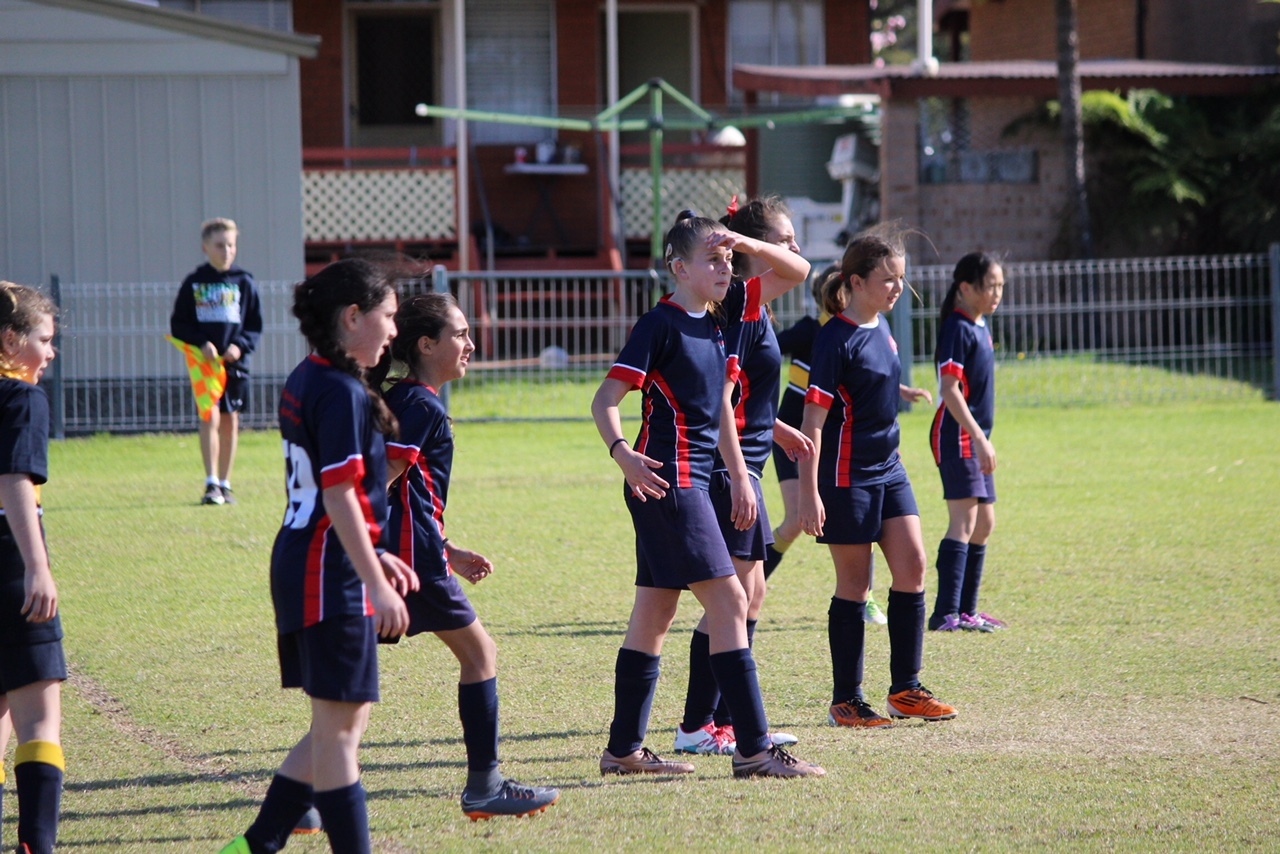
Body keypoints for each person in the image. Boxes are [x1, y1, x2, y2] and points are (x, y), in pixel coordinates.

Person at [591, 211, 824, 779]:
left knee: (655, 614)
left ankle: (622, 751)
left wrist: (747, 461)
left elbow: (719, 407)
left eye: (727, 261)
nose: (724, 268)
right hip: (670, 483)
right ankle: (753, 751)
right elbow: (605, 401)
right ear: (679, 269)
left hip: (696, 479)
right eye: (712, 261)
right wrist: (624, 456)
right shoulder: (660, 324)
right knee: (731, 605)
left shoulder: (719, 319)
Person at [221, 259, 419, 854]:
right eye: (386, 317)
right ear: (351, 316)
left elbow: (337, 495)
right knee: (339, 733)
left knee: (343, 722)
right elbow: (335, 494)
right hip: (324, 571)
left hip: (318, 560)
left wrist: (376, 560)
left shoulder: (315, 376)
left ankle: (258, 842)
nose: (393, 331)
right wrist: (374, 579)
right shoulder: (336, 389)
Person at [376, 292, 560, 819]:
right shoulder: (420, 406)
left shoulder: (410, 400)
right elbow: (377, 486)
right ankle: (485, 787)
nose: (470, 344)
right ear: (426, 344)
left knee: (350, 684)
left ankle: (307, 795)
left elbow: (405, 495)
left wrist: (448, 547)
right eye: (459, 334)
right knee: (480, 656)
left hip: (410, 558)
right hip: (410, 568)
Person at [797, 230, 959, 728]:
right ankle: (846, 699)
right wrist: (808, 492)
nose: (896, 289)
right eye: (888, 280)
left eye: (900, 280)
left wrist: (901, 389)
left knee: (912, 566)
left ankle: (906, 691)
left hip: (890, 468)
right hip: (846, 476)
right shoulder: (833, 339)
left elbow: (874, 378)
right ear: (857, 281)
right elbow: (813, 422)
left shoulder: (882, 327)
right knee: (857, 583)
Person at [673, 197, 812, 756]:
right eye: (784, 239)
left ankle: (721, 722)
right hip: (729, 469)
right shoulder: (736, 303)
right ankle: (700, 726)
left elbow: (742, 395)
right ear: (750, 248)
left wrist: (774, 429)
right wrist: (738, 473)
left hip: (745, 461)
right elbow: (720, 401)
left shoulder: (753, 303)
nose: (793, 249)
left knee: (746, 595)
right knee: (733, 599)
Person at [765, 265, 889, 626]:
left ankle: (864, 597)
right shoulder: (810, 331)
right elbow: (765, 349)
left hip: (834, 443)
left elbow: (864, 380)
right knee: (792, 523)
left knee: (861, 520)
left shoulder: (858, 333)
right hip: (793, 439)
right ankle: (751, 580)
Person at [0, 281, 63, 854]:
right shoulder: (21, 399)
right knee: (39, 717)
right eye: (44, 339)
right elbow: (14, 481)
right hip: (6, 561)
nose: (50, 352)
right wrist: (35, 566)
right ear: (9, 339)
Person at [928, 253, 1008, 633]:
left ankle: (967, 610)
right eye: (990, 286)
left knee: (984, 522)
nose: (996, 293)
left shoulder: (979, 325)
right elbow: (950, 390)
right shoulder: (956, 329)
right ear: (965, 288)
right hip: (958, 435)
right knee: (964, 521)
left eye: (1000, 286)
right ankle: (946, 612)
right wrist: (977, 437)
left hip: (974, 437)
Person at [170, 217, 263, 506]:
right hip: (205, 367)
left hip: (234, 365)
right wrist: (201, 343)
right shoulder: (194, 282)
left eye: (231, 245)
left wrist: (240, 346)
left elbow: (254, 326)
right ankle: (211, 483)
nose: (226, 251)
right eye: (220, 245)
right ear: (205, 247)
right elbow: (179, 324)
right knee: (208, 416)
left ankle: (225, 483)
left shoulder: (244, 282)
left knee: (229, 420)